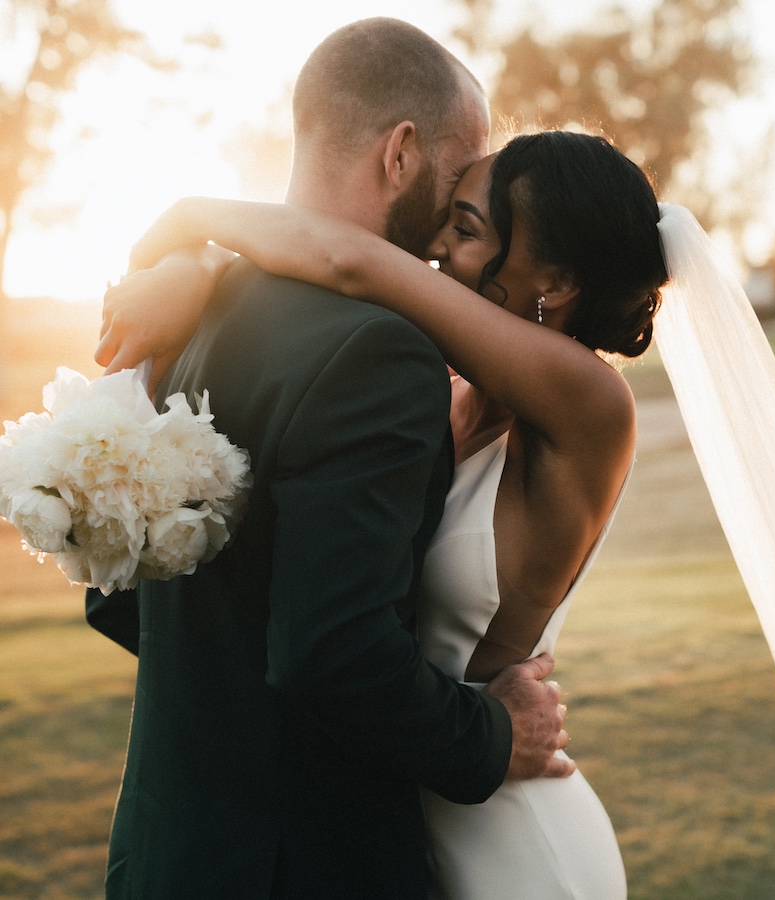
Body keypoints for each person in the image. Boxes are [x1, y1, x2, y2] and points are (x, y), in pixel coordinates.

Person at [98, 130, 669, 898]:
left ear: (557, 281)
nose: (434, 244)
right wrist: (195, 271)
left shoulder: (592, 406)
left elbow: (353, 262)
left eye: (466, 229)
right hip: (406, 802)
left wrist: (190, 221)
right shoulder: (442, 391)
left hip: (507, 824)